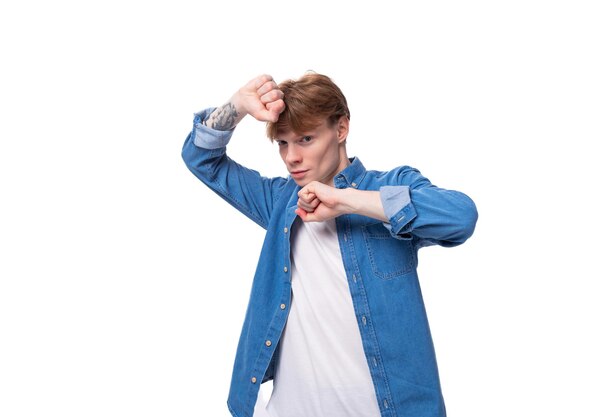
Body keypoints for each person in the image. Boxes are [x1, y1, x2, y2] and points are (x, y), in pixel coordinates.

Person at [181, 73, 478, 417]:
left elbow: (460, 217)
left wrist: (347, 201)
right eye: (282, 143)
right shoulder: (281, 201)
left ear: (341, 129)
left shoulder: (388, 187)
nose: (291, 157)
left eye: (305, 139)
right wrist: (236, 107)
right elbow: (201, 159)